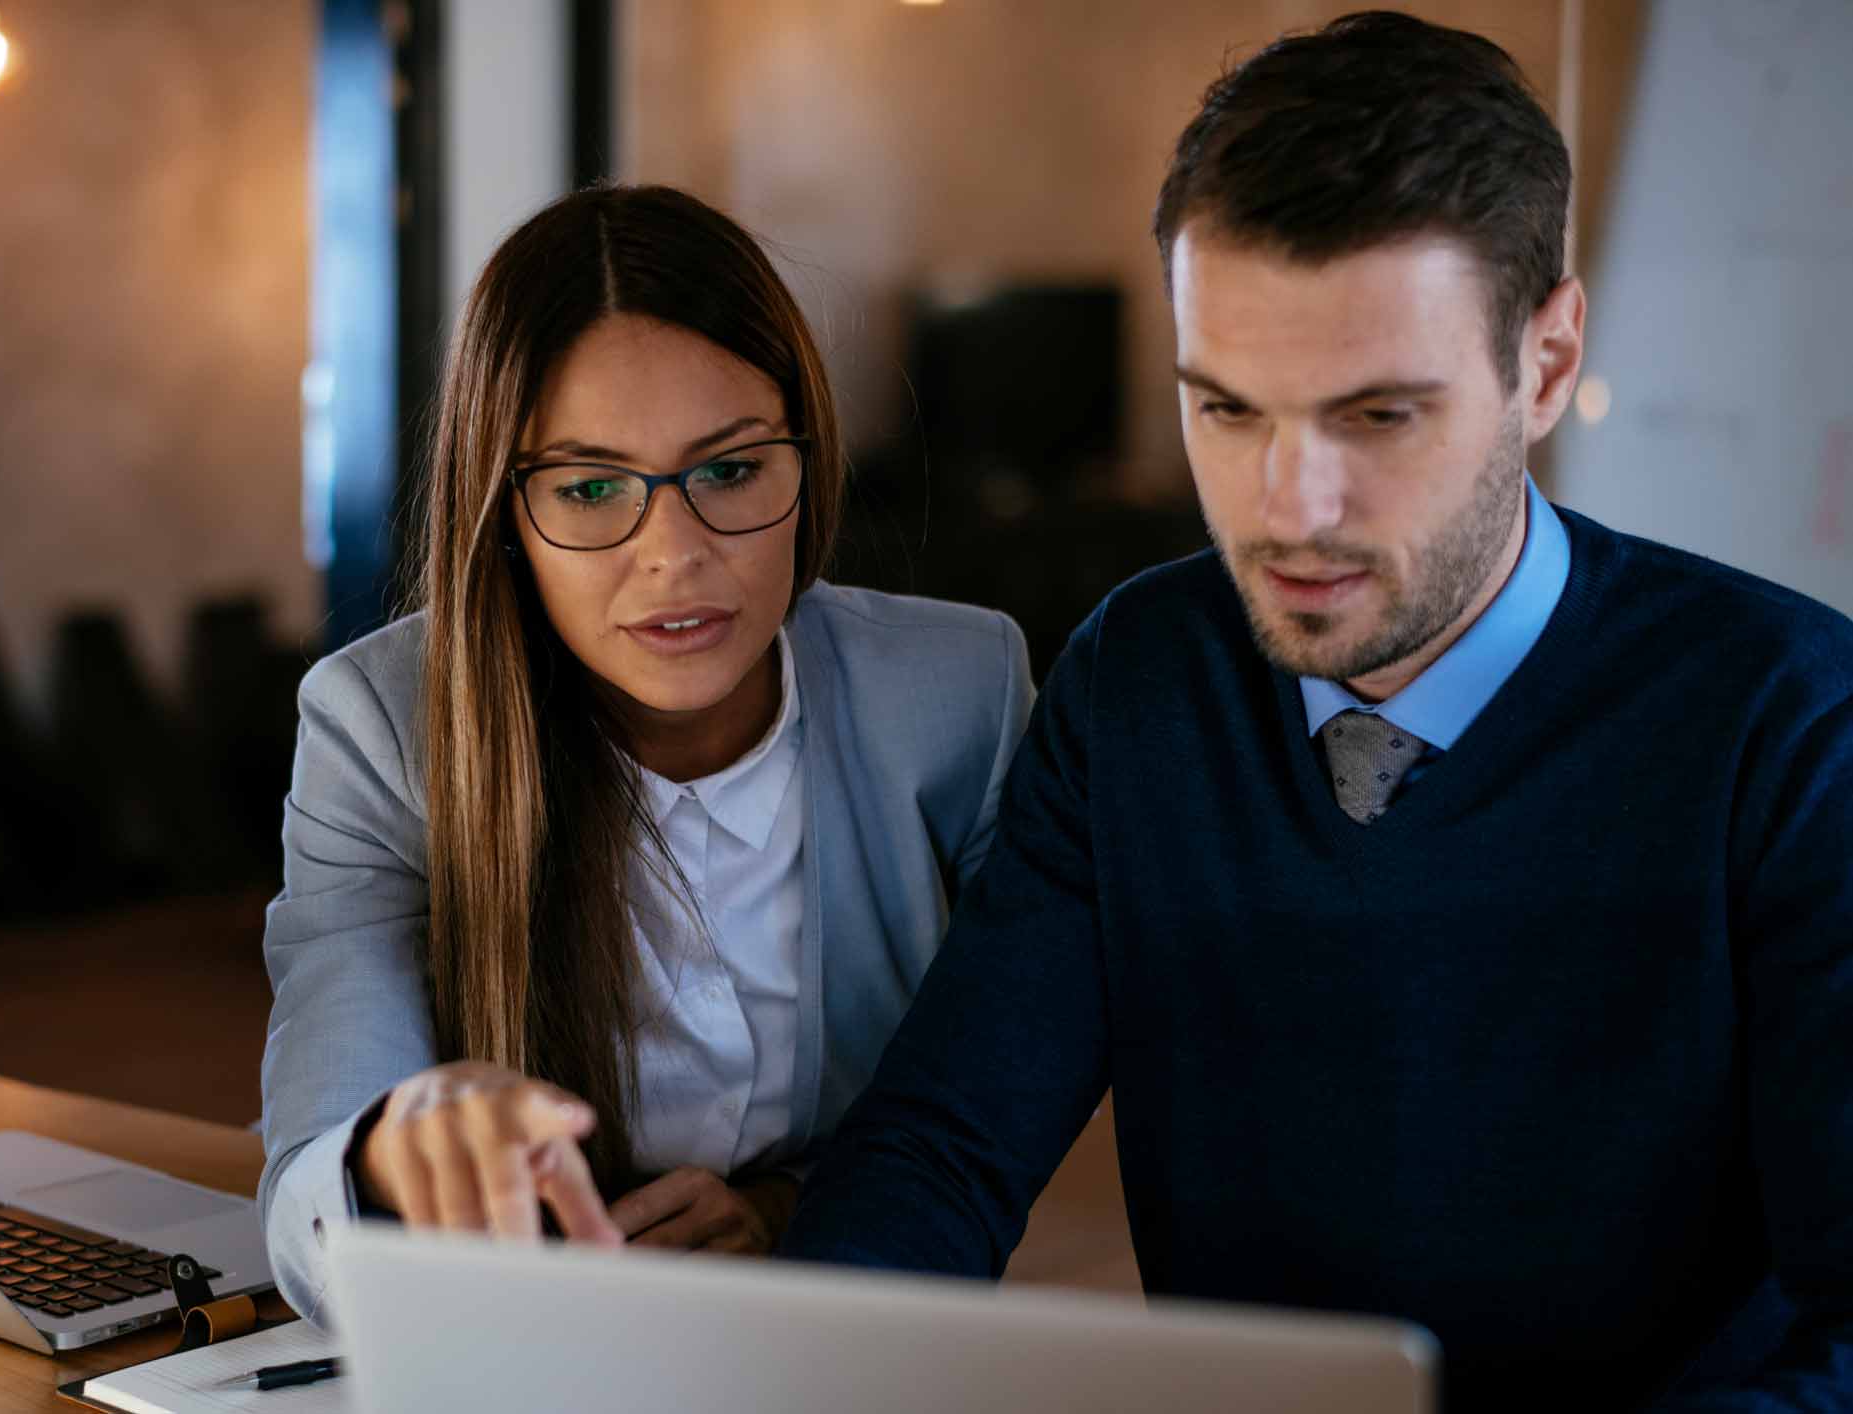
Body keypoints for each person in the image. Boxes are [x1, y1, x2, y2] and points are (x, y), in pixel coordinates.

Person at [779, 13, 1853, 1411]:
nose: (1288, 512)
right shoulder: (1140, 677)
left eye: (1376, 418)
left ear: (1542, 361)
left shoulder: (1789, 722)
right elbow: (943, 1145)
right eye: (1226, 410)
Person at [256, 185, 1033, 1318]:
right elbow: (305, 1192)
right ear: (505, 513)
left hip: (842, 1353)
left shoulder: (957, 695)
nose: (672, 554)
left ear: (808, 459)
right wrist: (392, 1153)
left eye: (728, 471)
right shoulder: (379, 727)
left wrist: (788, 1216)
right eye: (589, 488)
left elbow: (990, 1113)